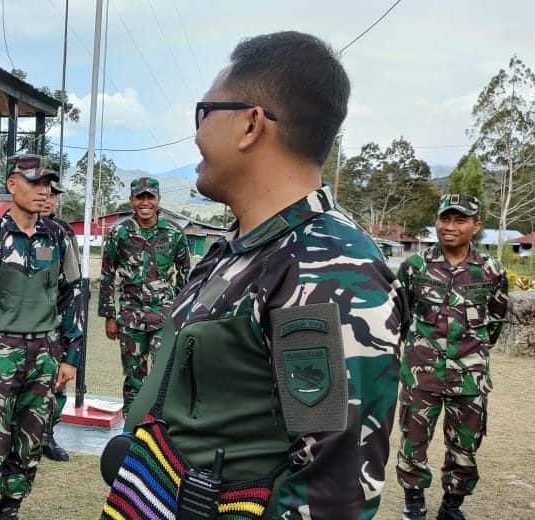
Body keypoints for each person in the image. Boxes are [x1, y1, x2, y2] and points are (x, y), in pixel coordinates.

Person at [122, 32, 405, 518]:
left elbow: (329, 491)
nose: (196, 134)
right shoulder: (245, 249)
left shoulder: (326, 270)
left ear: (251, 124)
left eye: (205, 113)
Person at [0, 154, 85, 519]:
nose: (42, 190)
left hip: (45, 353)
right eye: (34, 182)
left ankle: (10, 510)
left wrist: (70, 354)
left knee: (30, 441)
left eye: (47, 183)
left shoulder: (59, 236)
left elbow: (72, 292)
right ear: (12, 185)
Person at [395, 194, 508, 520]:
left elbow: (495, 322)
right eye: (445, 219)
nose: (450, 227)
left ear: (476, 226)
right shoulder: (415, 266)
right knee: (413, 441)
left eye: (460, 220)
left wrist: (470, 353)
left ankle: (452, 506)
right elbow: (400, 317)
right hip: (422, 372)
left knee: (466, 445)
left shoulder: (491, 270)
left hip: (470, 376)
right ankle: (413, 502)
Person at [97, 176, 191, 411]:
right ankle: (131, 427)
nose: (145, 202)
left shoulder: (174, 232)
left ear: (158, 200)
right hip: (130, 317)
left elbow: (186, 274)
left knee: (164, 374)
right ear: (131, 201)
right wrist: (110, 316)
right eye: (140, 197)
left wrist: (179, 312)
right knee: (133, 378)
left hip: (163, 317)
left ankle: (162, 426)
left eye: (150, 197)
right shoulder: (119, 233)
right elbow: (107, 275)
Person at [38, 180, 85, 463]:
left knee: (56, 383)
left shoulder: (65, 233)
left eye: (53, 194)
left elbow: (74, 284)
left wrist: (72, 331)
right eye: (43, 192)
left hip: (56, 322)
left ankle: (48, 435)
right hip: (20, 326)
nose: (47, 198)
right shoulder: (6, 230)